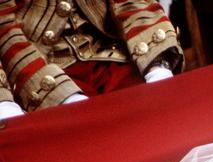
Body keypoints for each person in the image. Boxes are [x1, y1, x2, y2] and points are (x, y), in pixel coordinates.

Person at [0, 0, 183, 119]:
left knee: (164, 117)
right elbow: (4, 29)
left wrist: (157, 63)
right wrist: (55, 94)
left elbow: (132, 3)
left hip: (113, 51)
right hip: (42, 65)